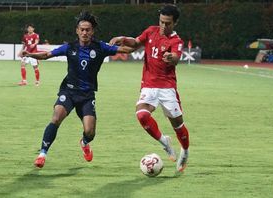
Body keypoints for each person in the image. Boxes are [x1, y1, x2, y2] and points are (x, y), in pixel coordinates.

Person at [22, 11, 133, 168]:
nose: (84, 32)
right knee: (56, 118)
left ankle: (84, 142)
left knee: (90, 132)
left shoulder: (101, 47)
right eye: (82, 29)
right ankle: (42, 154)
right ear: (77, 30)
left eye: (88, 30)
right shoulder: (70, 47)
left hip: (87, 95)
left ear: (92, 31)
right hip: (68, 91)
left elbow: (128, 50)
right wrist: (30, 54)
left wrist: (123, 39)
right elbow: (47, 55)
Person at [109, 4, 190, 172]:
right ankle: (164, 142)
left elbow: (175, 57)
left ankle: (185, 151)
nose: (163, 26)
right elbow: (136, 42)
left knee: (178, 125)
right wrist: (123, 38)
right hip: (149, 85)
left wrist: (170, 57)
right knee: (142, 115)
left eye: (167, 23)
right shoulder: (151, 31)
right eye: (161, 21)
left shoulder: (176, 41)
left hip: (167, 88)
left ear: (175, 23)